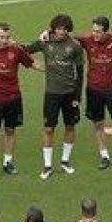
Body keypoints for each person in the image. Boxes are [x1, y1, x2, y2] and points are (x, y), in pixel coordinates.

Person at [0, 23, 39, 182]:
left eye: (7, 37)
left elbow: (32, 64)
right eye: (1, 37)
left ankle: (7, 162)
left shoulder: (16, 50)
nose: (4, 40)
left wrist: (55, 68)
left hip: (13, 98)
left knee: (10, 130)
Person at [26, 14, 86, 180]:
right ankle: (47, 165)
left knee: (70, 127)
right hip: (52, 93)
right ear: (53, 28)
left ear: (68, 30)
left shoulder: (75, 46)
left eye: (65, 29)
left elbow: (80, 74)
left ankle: (65, 161)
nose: (61, 31)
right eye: (59, 28)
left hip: (70, 94)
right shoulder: (45, 42)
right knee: (48, 128)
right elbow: (24, 51)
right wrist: (35, 65)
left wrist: (78, 96)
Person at [76, 16, 112, 173]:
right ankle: (104, 156)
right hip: (93, 90)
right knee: (98, 124)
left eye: (98, 31)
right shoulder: (87, 41)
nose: (94, 34)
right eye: (93, 30)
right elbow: (66, 36)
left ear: (105, 31)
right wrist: (47, 32)